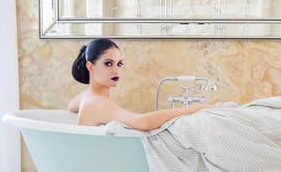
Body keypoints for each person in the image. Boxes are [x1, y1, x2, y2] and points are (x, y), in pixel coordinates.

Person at [68, 38, 220, 130]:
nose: (116, 71)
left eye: (119, 64)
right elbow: (144, 123)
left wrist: (121, 111)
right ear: (90, 67)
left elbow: (71, 106)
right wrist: (197, 108)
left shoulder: (88, 97)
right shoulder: (98, 103)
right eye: (108, 64)